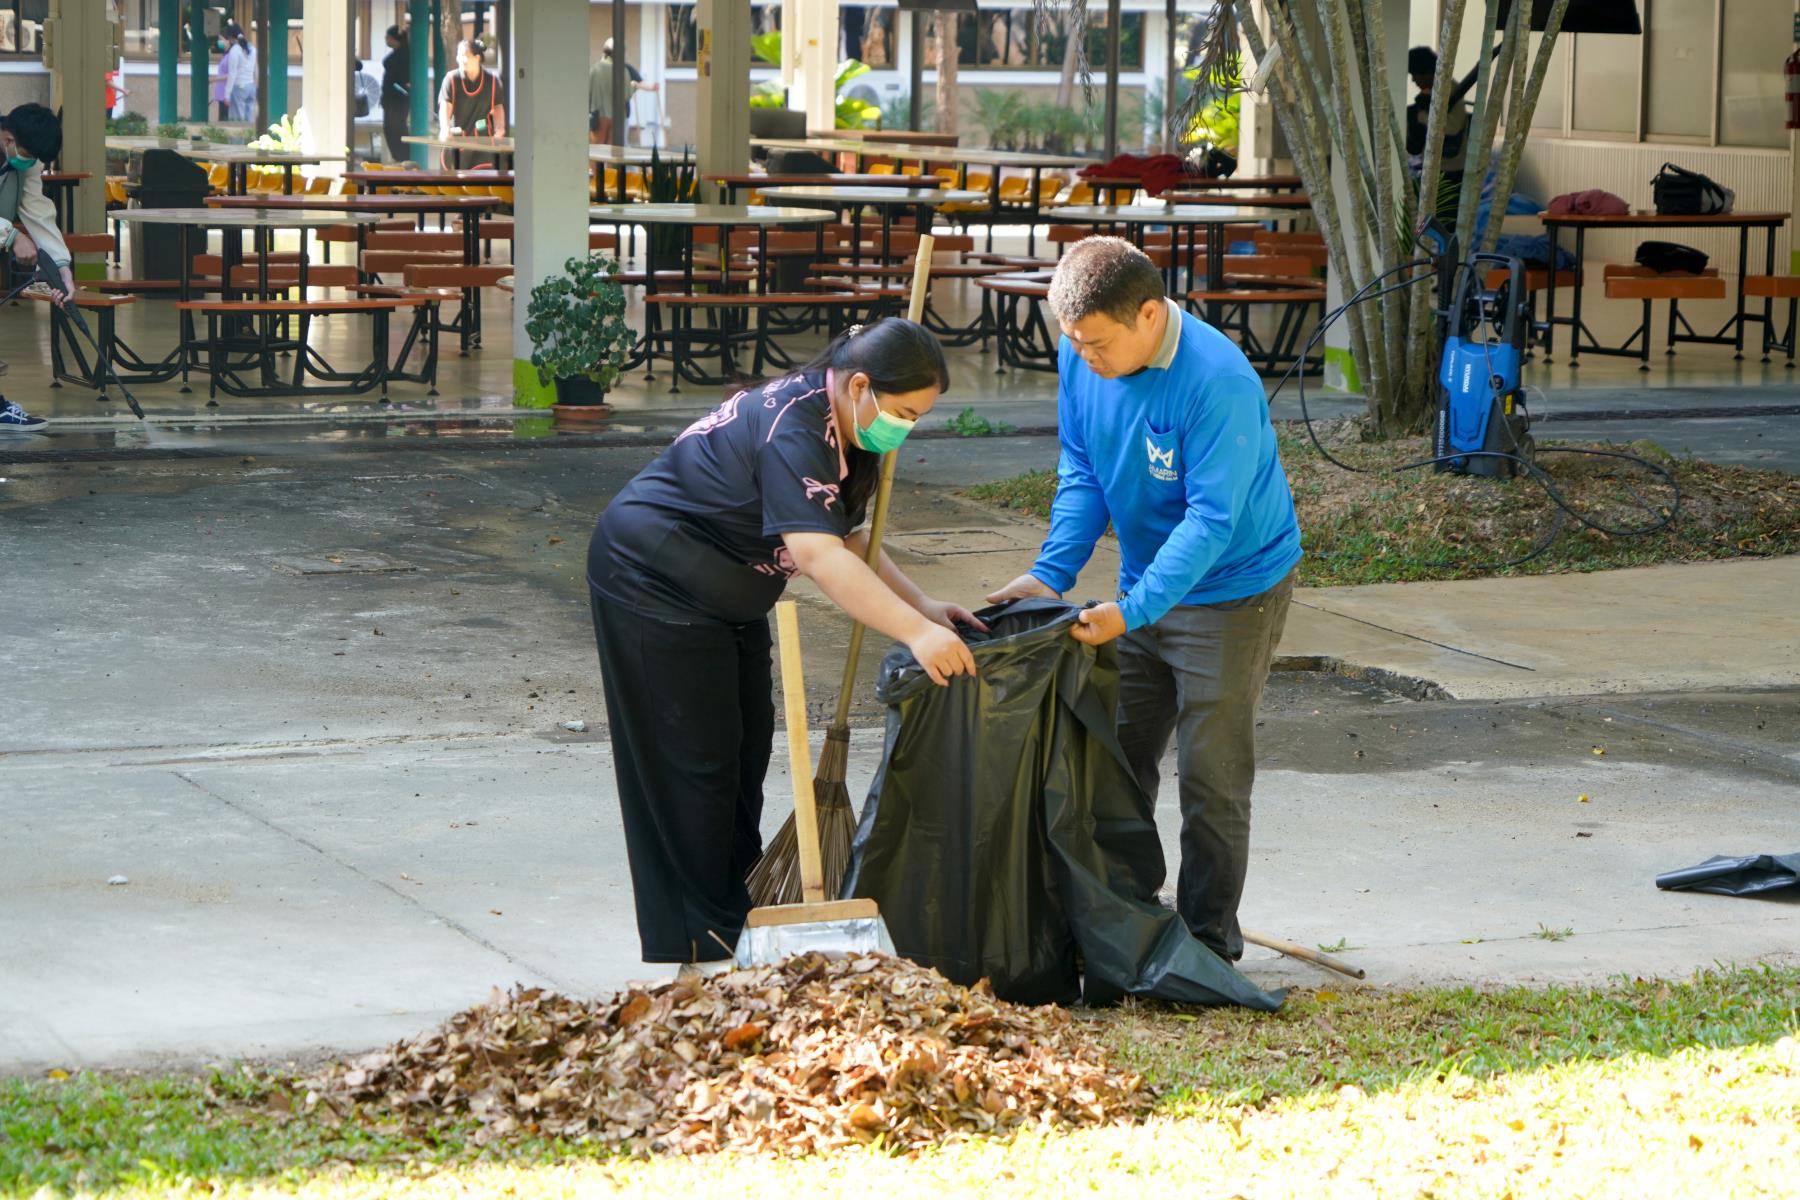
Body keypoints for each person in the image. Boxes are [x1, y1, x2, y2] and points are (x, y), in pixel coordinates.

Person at [586, 319, 982, 970]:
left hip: (729, 594)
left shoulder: (846, 425)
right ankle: (704, 947)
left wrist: (924, 606)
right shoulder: (795, 427)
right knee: (693, 767)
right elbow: (820, 555)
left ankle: (736, 920)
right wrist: (913, 633)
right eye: (905, 413)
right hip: (655, 581)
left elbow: (848, 535)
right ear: (860, 385)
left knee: (743, 756)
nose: (906, 429)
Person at [986, 238, 1301, 964]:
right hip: (1144, 584)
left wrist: (1133, 611)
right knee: (1116, 759)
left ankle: (1207, 948)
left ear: (1150, 315)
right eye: (1073, 341)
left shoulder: (1216, 380)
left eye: (1096, 343)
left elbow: (1212, 522)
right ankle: (1124, 920)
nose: (1083, 356)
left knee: (1212, 777)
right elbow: (1083, 467)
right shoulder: (1082, 352)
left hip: (1232, 592)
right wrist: (1051, 575)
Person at [0, 104, 75, 428]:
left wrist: (61, 267)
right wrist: (12, 236)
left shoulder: (25, 160)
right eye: (28, 155)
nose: (30, 163)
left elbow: (37, 209)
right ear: (8, 139)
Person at [1405, 45, 1471, 217]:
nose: (1413, 80)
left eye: (1414, 74)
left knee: (1444, 220)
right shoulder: (1434, 91)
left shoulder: (1450, 89)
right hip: (1434, 169)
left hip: (1450, 171)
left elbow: (1452, 127)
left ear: (1427, 72)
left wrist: (1421, 116)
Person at [437, 39, 505, 168]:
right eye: (459, 55)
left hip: (483, 141)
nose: (460, 59)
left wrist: (499, 129)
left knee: (482, 177)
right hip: (458, 139)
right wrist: (445, 128)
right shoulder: (451, 79)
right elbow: (445, 106)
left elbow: (498, 107)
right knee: (455, 177)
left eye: (465, 56)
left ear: (477, 58)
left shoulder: (492, 81)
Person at [588, 38, 657, 146]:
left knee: (595, 150)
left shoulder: (594, 70)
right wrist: (633, 86)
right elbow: (627, 95)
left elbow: (587, 93)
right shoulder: (623, 71)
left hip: (597, 117)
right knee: (614, 150)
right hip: (617, 118)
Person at [380, 26, 412, 164]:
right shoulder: (397, 54)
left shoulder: (404, 54)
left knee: (397, 128)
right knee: (390, 128)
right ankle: (398, 156)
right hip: (390, 98)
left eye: (388, 37)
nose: (386, 40)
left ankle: (403, 157)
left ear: (394, 39)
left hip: (398, 98)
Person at [215, 22, 257, 123]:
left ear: (230, 37)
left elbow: (232, 74)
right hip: (251, 87)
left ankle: (240, 135)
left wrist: (227, 94)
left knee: (237, 121)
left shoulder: (235, 50)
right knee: (250, 119)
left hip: (239, 87)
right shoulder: (253, 49)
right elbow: (256, 69)